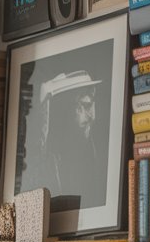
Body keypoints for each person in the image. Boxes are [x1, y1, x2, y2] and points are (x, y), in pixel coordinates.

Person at [39, 70, 105, 202]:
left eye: (89, 104)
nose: (88, 116)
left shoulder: (98, 149)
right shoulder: (47, 162)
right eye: (81, 105)